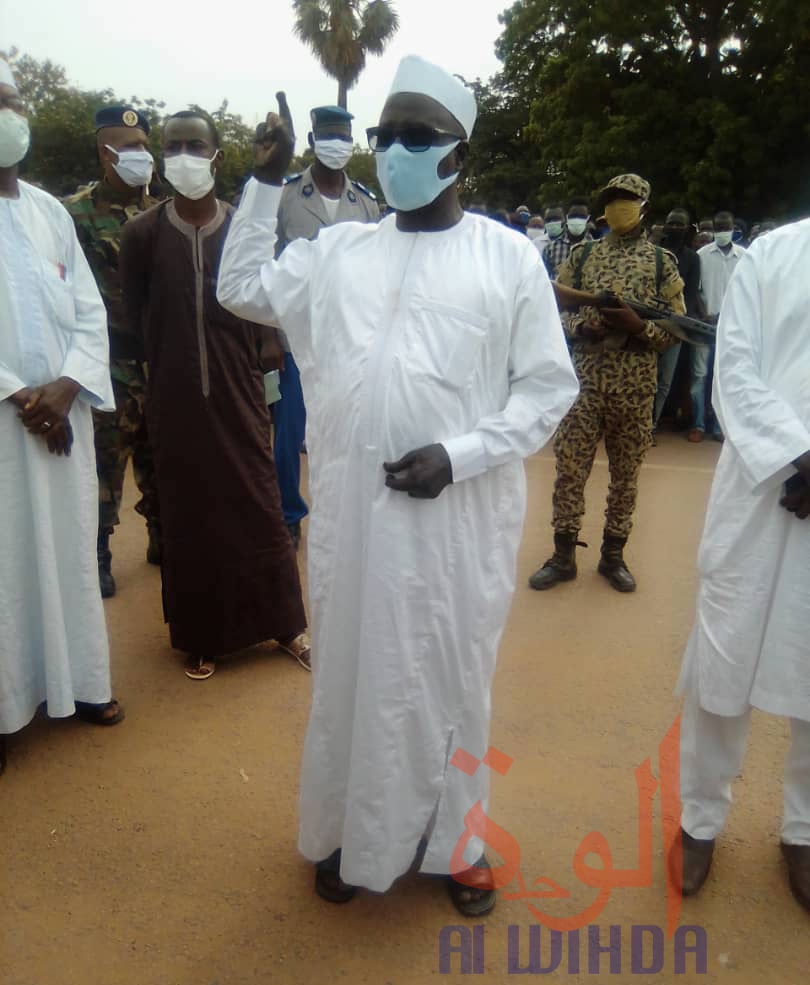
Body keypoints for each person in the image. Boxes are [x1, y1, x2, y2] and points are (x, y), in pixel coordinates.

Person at [216, 58, 579, 914]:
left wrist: (461, 453)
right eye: (387, 136)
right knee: (350, 674)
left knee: (449, 677)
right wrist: (265, 183)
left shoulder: (508, 257)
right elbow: (238, 290)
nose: (396, 152)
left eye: (418, 137)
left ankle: (460, 845)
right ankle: (349, 828)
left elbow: (546, 387)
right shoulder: (340, 250)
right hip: (353, 513)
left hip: (455, 522)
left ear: (461, 155)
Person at [118, 109, 309, 680]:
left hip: (239, 389)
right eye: (173, 145)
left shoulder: (240, 228)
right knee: (189, 515)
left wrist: (270, 340)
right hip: (173, 398)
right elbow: (134, 316)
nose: (183, 155)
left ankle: (283, 624)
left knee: (258, 503)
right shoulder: (141, 235)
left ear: (216, 156)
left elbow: (265, 294)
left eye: (194, 145)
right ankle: (201, 635)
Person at [669, 218, 810, 914]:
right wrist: (799, 454)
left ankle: (805, 831)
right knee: (723, 661)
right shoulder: (773, 255)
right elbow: (735, 367)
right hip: (759, 488)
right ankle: (700, 820)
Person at [0, 60, 123, 775]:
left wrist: (70, 384)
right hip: (8, 423)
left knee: (70, 554)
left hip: (63, 418)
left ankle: (80, 684)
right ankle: (8, 704)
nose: (7, 113)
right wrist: (21, 393)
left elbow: (89, 310)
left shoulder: (50, 211)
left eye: (11, 101)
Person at [529, 173, 684, 594]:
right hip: (583, 384)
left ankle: (612, 555)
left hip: (635, 387)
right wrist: (584, 328)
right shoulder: (580, 257)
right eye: (614, 199)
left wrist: (640, 329)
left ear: (644, 206)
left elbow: (676, 330)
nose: (620, 206)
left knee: (626, 476)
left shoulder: (660, 263)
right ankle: (563, 556)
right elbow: (554, 311)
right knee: (569, 472)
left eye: (628, 200)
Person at [64, 106, 162, 598]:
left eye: (144, 145)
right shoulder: (74, 214)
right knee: (106, 463)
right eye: (128, 146)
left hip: (159, 360)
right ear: (105, 153)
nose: (140, 155)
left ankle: (163, 538)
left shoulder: (164, 209)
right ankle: (99, 552)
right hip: (107, 364)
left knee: (163, 456)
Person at [273, 104, 379, 548]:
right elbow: (262, 266)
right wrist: (267, 337)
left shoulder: (368, 204)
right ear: (313, 141)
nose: (337, 144)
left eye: (343, 136)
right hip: (295, 338)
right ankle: (289, 514)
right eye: (328, 135)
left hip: (353, 340)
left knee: (351, 429)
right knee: (289, 434)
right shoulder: (285, 196)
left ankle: (349, 511)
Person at [688, 210, 745, 443]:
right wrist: (705, 315)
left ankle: (721, 427)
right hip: (704, 326)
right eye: (718, 228)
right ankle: (698, 425)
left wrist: (727, 315)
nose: (722, 231)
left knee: (723, 378)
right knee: (699, 377)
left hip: (731, 328)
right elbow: (695, 290)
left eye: (726, 227)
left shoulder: (744, 256)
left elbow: (745, 291)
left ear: (733, 228)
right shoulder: (701, 255)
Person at [652, 207, 705, 430]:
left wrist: (681, 323)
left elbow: (691, 295)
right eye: (671, 223)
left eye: (679, 224)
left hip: (676, 325)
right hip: (649, 323)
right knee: (646, 375)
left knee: (665, 380)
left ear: (687, 228)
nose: (674, 227)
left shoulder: (693, 259)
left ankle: (651, 426)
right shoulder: (653, 252)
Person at [542, 197, 592, 280]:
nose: (577, 219)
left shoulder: (596, 249)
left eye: (582, 216)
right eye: (573, 216)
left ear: (588, 219)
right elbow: (543, 279)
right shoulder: (550, 249)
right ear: (566, 217)